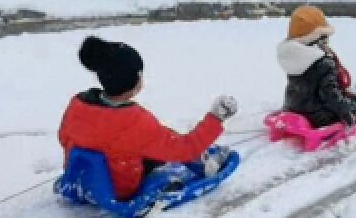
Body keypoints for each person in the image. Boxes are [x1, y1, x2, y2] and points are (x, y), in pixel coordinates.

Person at [58, 36, 237, 201]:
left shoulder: (78, 104)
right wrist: (215, 118)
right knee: (168, 148)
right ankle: (202, 161)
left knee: (152, 140)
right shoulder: (134, 121)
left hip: (82, 176)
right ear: (135, 81)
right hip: (119, 187)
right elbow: (183, 149)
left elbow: (63, 137)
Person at [278, 5, 356, 128]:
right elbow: (331, 96)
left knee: (348, 96)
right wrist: (347, 110)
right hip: (317, 116)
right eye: (326, 37)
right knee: (353, 103)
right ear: (317, 39)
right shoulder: (323, 63)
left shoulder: (295, 57)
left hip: (293, 107)